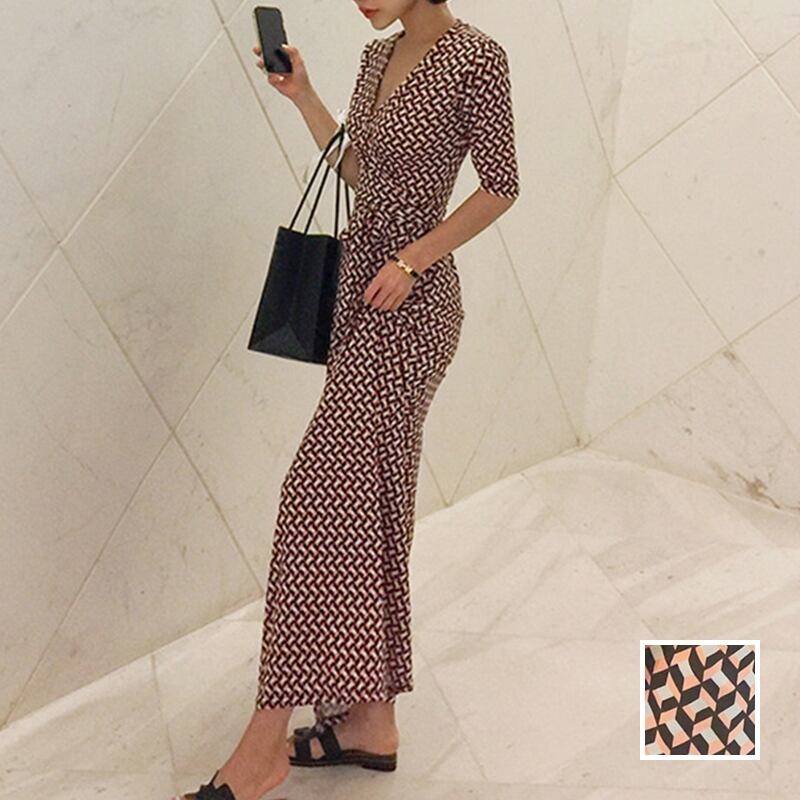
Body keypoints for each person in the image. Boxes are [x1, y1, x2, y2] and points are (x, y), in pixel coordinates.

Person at [176, 1, 519, 798]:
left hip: (413, 311)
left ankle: (264, 741)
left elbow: (502, 186)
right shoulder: (374, 60)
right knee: (371, 505)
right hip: (358, 300)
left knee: (315, 498)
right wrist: (305, 97)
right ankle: (371, 721)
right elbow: (368, 176)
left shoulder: (478, 57)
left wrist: (414, 259)